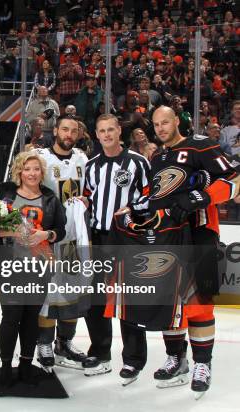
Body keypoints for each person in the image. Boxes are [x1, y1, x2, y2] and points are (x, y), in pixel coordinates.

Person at [122, 106, 239, 397]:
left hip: (200, 231)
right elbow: (157, 193)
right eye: (157, 125)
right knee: (168, 300)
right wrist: (137, 208)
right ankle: (177, 358)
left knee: (198, 299)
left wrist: (203, 197)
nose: (161, 128)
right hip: (166, 234)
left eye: (166, 122)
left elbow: (236, 180)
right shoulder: (157, 156)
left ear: (177, 121)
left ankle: (202, 364)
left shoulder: (202, 144)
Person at [82, 114, 150, 377]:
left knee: (128, 300)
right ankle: (100, 353)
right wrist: (83, 203)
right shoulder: (92, 165)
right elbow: (88, 195)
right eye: (102, 131)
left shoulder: (138, 162)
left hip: (127, 238)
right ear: (96, 135)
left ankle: (133, 359)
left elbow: (150, 197)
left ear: (119, 131)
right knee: (94, 300)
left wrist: (131, 208)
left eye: (111, 129)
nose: (107, 134)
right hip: (98, 238)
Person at [0, 151, 66, 387]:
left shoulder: (50, 198)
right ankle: (5, 367)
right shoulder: (6, 195)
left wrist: (47, 234)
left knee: (30, 317)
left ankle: (25, 365)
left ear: (41, 173)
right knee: (11, 316)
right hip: (9, 263)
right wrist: (13, 232)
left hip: (39, 265)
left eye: (36, 169)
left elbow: (60, 231)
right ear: (19, 172)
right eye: (27, 169)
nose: (32, 173)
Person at [31, 116, 90, 371]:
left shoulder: (82, 159)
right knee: (47, 291)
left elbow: (89, 192)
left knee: (72, 289)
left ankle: (64, 342)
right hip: (47, 235)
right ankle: (43, 343)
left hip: (74, 238)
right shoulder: (40, 157)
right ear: (55, 130)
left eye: (73, 130)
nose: (68, 133)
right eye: (64, 129)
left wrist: (87, 200)